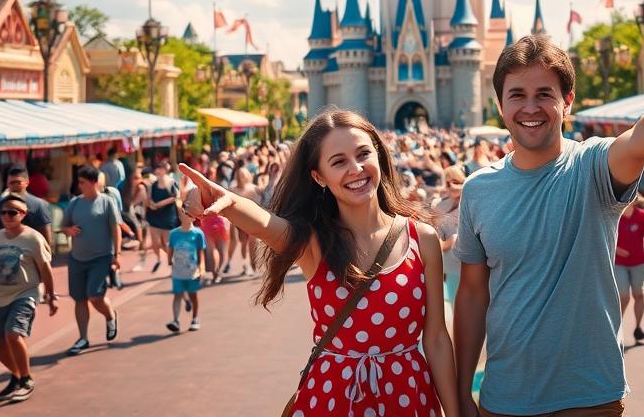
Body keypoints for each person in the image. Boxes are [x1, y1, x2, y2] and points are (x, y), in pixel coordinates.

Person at [454, 35, 644, 416]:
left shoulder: (592, 165)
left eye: (545, 93)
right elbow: (473, 296)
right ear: (499, 104)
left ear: (568, 100)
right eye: (517, 95)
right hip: (506, 397)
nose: (531, 107)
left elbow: (635, 143)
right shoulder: (478, 190)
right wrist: (462, 393)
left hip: (589, 398)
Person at [180, 109, 460, 417]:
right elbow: (263, 224)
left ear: (379, 156)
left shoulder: (423, 239)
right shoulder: (314, 244)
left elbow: (436, 340)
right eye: (339, 162)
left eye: (363, 154)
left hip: (408, 397)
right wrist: (230, 203)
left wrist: (454, 412)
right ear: (318, 176)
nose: (356, 168)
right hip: (333, 399)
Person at [0, 194, 58, 403]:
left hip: (26, 293)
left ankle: (27, 379)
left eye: (12, 212)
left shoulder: (33, 238)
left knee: (13, 333)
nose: (7, 216)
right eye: (3, 212)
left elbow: (45, 269)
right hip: (1, 296)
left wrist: (51, 295)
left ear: (23, 215)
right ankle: (17, 374)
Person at [60, 165, 121, 356]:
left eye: (82, 182)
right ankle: (83, 338)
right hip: (77, 258)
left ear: (94, 183)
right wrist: (68, 231)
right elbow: (63, 226)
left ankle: (110, 315)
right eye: (78, 182)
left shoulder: (106, 202)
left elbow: (115, 229)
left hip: (101, 258)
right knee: (80, 298)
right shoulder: (74, 203)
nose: (79, 185)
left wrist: (116, 255)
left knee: (94, 296)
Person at [614, 194, 644, 344]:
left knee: (639, 294)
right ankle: (616, 327)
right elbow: (606, 237)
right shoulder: (615, 216)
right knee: (623, 294)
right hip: (619, 263)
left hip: (638, 262)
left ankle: (638, 328)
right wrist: (616, 249)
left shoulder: (641, 215)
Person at [0, 167, 53, 255]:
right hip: (4, 254)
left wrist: (46, 256)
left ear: (26, 183)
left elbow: (46, 235)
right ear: (7, 184)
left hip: (29, 255)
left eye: (18, 183)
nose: (14, 186)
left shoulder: (39, 205)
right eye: (12, 183)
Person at [166, 206, 205, 333]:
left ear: (193, 218)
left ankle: (195, 318)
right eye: (183, 214)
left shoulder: (198, 234)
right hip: (178, 271)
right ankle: (175, 321)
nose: (186, 216)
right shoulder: (174, 234)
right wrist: (169, 263)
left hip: (192, 271)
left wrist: (201, 268)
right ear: (180, 216)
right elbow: (170, 249)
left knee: (193, 295)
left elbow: (200, 253)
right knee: (177, 295)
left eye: (189, 214)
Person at [436, 165, 466, 322]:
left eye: (455, 182)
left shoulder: (472, 202)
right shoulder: (440, 206)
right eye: (447, 182)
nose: (451, 186)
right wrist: (445, 243)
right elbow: (436, 236)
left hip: (472, 265)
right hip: (450, 267)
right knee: (456, 314)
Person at [145, 160, 180, 273]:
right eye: (157, 168)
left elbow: (176, 196)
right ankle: (159, 259)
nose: (158, 171)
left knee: (167, 243)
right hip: (154, 216)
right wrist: (151, 204)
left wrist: (160, 204)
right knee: (156, 243)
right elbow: (148, 198)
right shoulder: (153, 184)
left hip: (168, 216)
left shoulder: (171, 182)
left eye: (160, 168)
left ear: (165, 170)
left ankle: (174, 261)